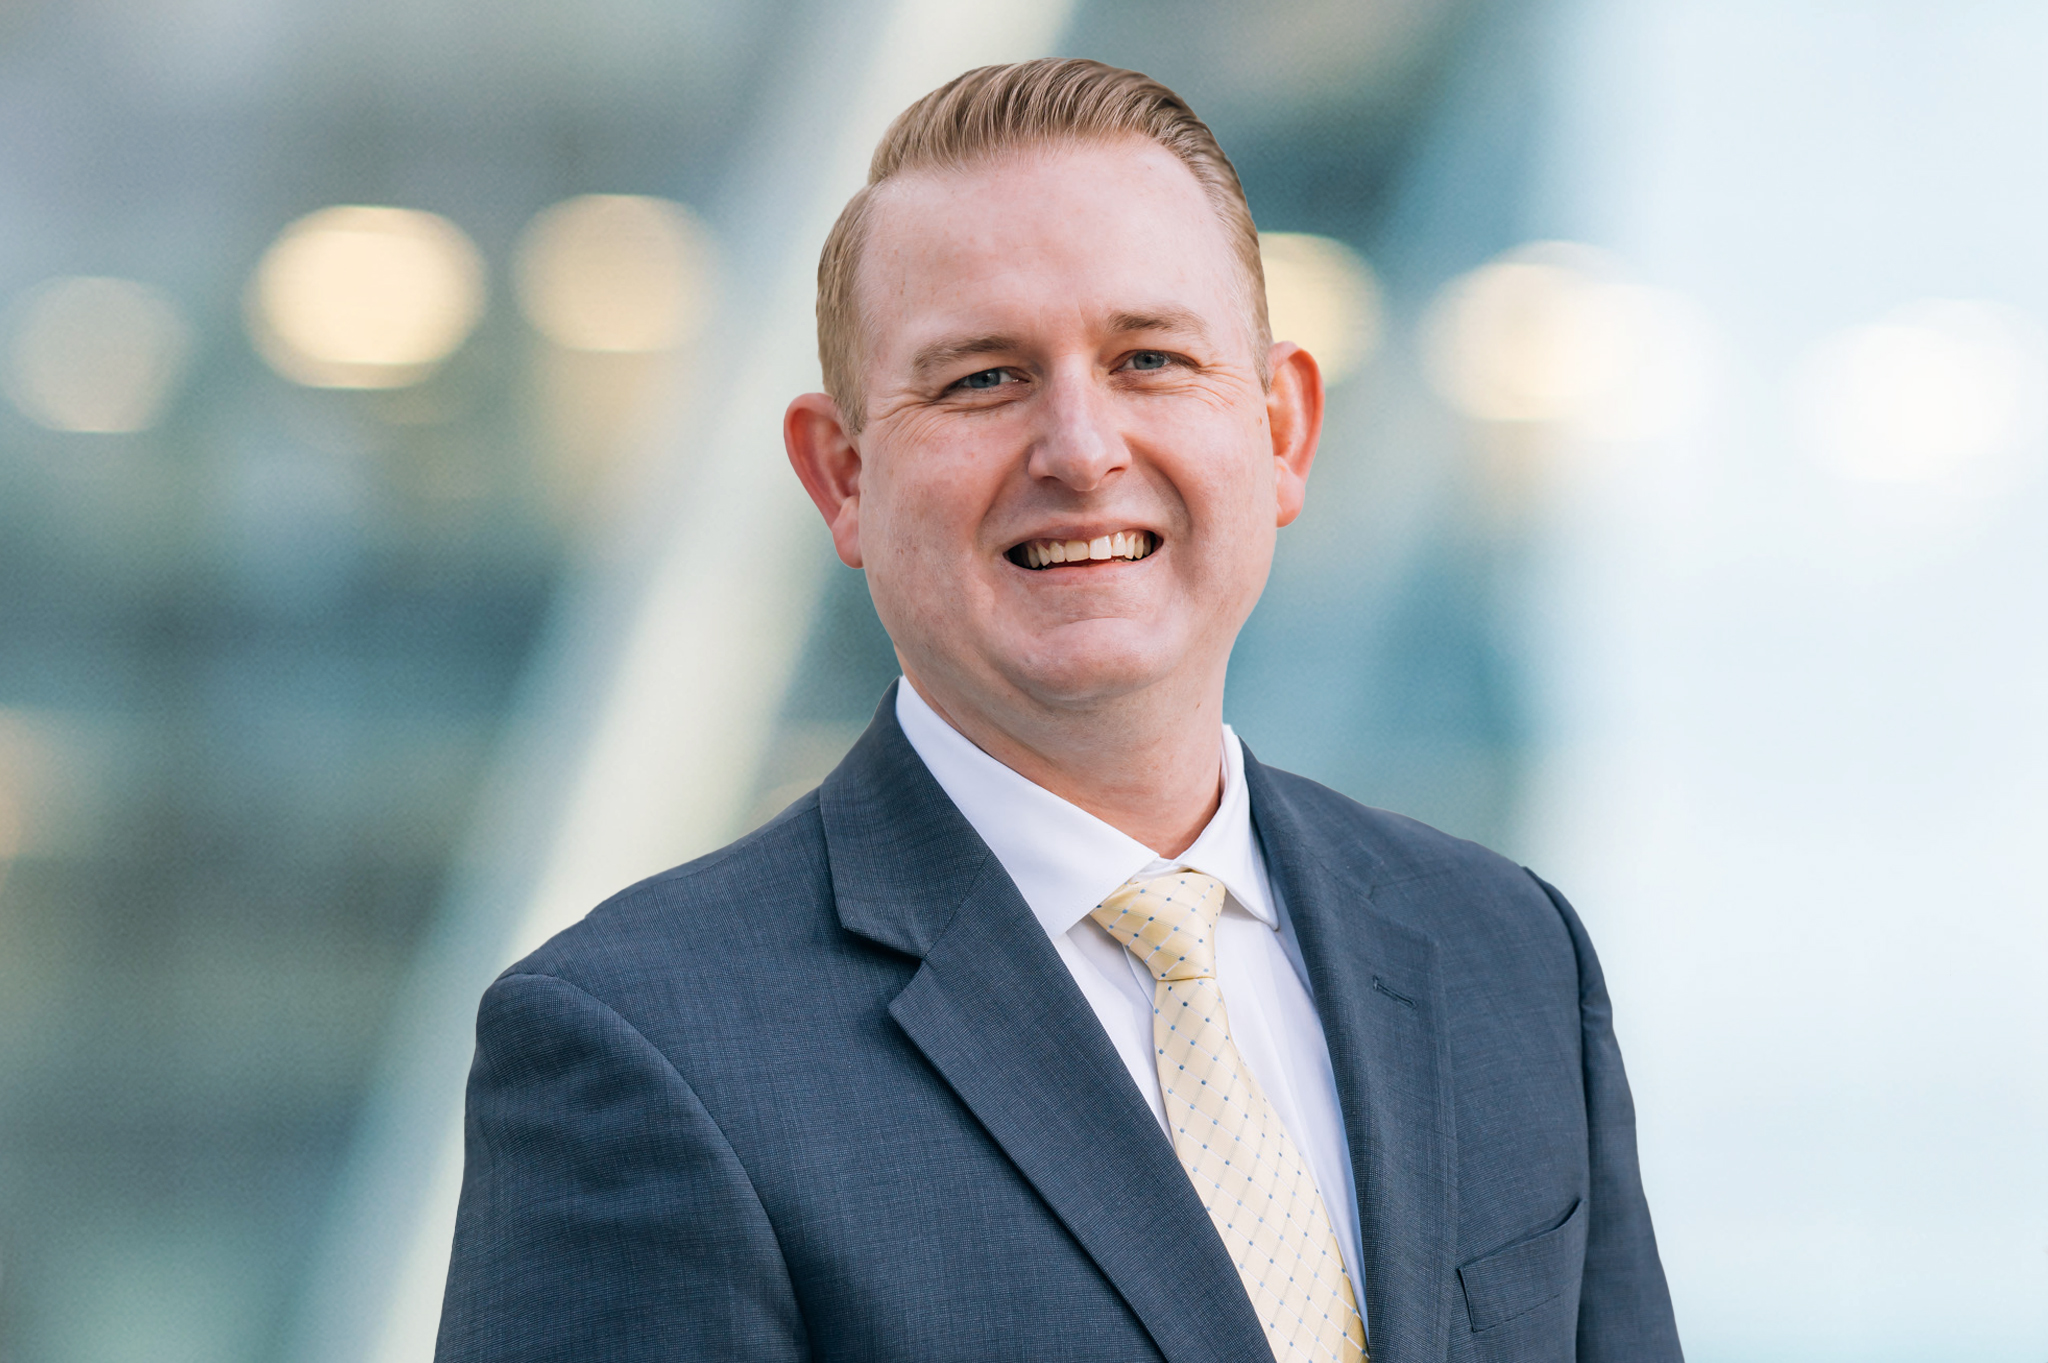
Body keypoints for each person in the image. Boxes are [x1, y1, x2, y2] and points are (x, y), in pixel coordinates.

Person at [434, 59, 1683, 1363]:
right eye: (983, 379)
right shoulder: (640, 1050)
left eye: (1150, 358)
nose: (1082, 450)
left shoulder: (1507, 954)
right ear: (843, 476)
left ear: (1283, 432)